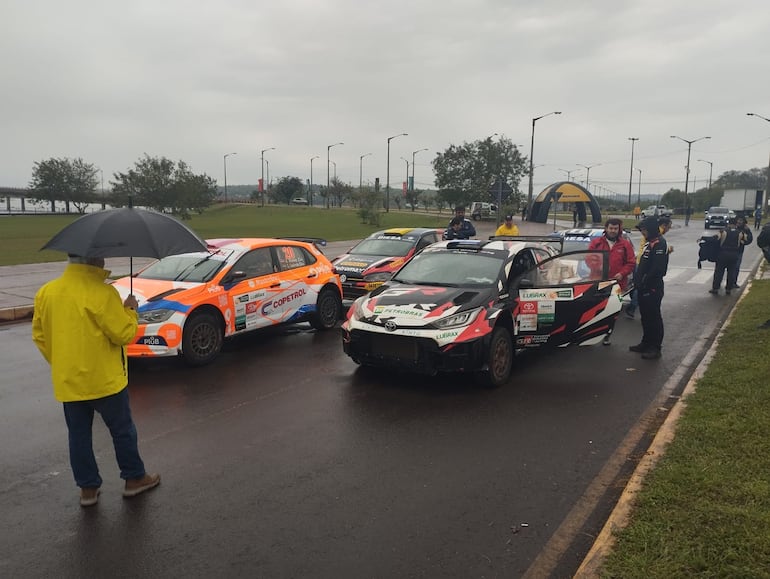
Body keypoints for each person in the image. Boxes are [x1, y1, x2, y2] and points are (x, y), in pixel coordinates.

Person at [32, 254, 160, 507]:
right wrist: (130, 311)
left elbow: (40, 336)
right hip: (105, 381)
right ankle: (134, 478)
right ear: (94, 260)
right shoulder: (103, 294)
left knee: (78, 436)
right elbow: (123, 333)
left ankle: (87, 489)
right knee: (122, 431)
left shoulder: (47, 293)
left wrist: (61, 364)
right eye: (101, 256)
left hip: (69, 381)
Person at [586, 218, 636, 345]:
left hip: (617, 284)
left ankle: (607, 333)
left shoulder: (625, 245)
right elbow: (588, 258)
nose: (613, 231)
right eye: (611, 228)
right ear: (606, 228)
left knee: (613, 311)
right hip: (597, 282)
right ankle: (589, 335)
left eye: (615, 228)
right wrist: (597, 267)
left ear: (619, 229)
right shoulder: (596, 243)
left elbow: (631, 263)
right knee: (594, 310)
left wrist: (622, 273)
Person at [629, 216, 668, 360]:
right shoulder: (649, 242)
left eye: (644, 230)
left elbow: (658, 269)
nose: (642, 233)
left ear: (651, 229)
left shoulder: (659, 243)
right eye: (641, 230)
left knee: (654, 317)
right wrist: (637, 281)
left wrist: (645, 281)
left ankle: (655, 347)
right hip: (643, 287)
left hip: (653, 287)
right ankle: (646, 343)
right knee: (645, 317)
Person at [709, 217, 746, 296]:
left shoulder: (723, 232)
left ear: (728, 224)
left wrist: (703, 238)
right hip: (734, 255)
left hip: (723, 254)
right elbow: (744, 241)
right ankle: (728, 289)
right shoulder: (741, 233)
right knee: (731, 272)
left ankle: (715, 288)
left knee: (719, 272)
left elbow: (715, 238)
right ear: (736, 224)